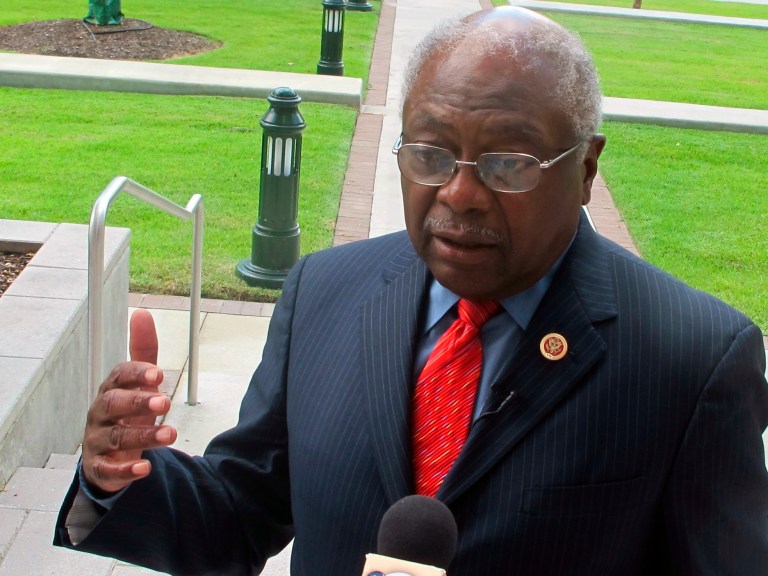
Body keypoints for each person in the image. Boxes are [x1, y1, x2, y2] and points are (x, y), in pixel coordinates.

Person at [54, 7, 768, 575]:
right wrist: (122, 478)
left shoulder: (695, 359)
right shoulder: (323, 294)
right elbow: (244, 512)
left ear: (585, 168)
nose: (460, 194)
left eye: (508, 163)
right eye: (429, 153)